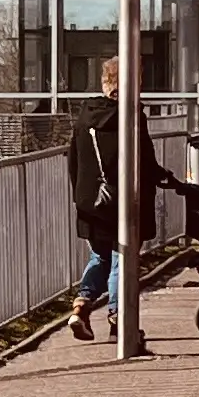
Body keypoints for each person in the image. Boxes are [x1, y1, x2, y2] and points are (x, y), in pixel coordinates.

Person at [63, 54, 155, 341]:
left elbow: (73, 159)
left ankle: (81, 306)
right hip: (122, 202)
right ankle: (118, 319)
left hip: (92, 202)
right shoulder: (130, 116)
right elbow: (144, 160)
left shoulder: (84, 116)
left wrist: (83, 196)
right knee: (121, 258)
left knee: (99, 255)